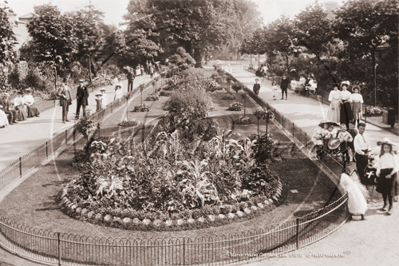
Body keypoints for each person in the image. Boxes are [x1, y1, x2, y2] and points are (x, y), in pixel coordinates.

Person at [376, 138, 398, 215]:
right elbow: (379, 165)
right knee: (384, 189)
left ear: (390, 148)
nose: (386, 149)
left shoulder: (393, 156)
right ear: (382, 148)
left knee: (390, 190)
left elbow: (396, 167)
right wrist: (378, 172)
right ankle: (385, 204)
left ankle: (391, 207)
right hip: (383, 172)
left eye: (388, 147)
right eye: (385, 147)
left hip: (391, 173)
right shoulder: (380, 156)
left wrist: (391, 174)